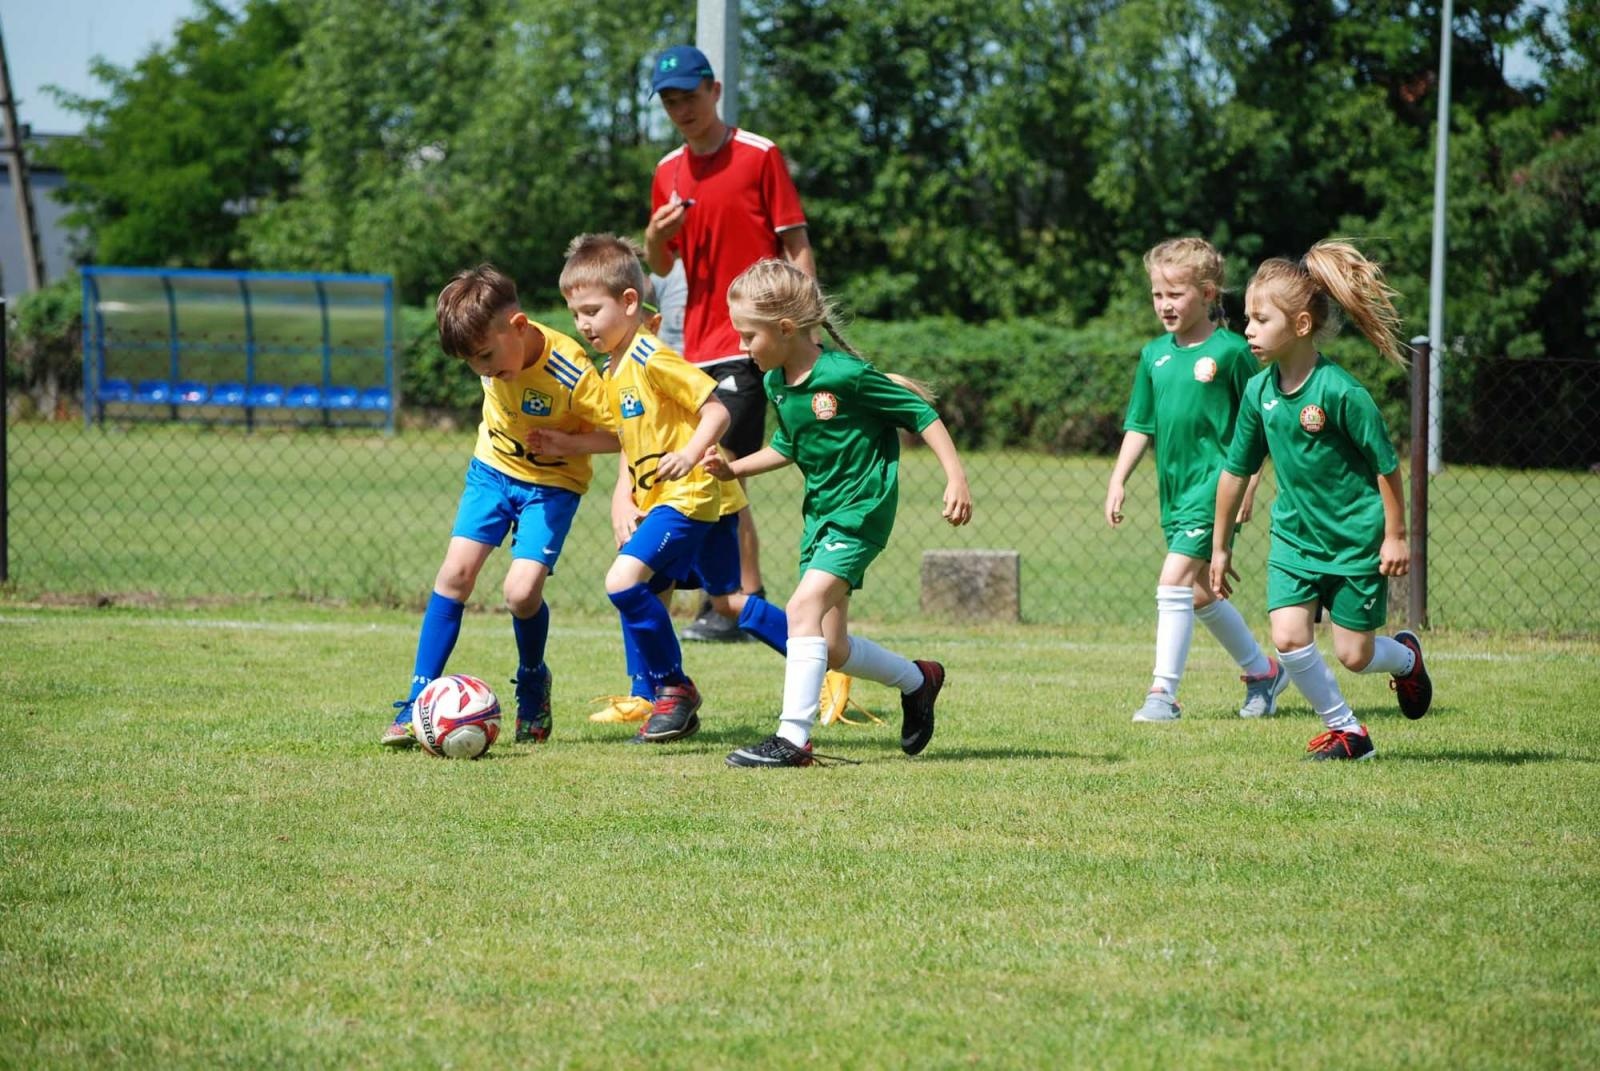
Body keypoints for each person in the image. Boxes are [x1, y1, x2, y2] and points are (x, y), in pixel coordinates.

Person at [704, 259, 973, 768]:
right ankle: (919, 680)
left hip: (860, 512)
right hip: (821, 517)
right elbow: (787, 445)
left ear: (786, 329)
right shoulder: (776, 383)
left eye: (749, 335)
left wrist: (955, 477)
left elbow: (920, 413)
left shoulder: (844, 375)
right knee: (831, 646)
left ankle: (793, 739)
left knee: (802, 608)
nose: (742, 347)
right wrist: (732, 469)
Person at [1211, 240, 1435, 761]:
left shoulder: (1340, 392)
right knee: (1288, 638)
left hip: (1355, 542)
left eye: (1261, 319)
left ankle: (1405, 658)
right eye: (1247, 319)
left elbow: (1386, 465)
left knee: (1354, 655)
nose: (1248, 330)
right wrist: (1220, 547)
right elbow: (1234, 471)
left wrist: (1396, 535)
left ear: (1301, 325)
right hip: (1295, 540)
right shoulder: (1258, 392)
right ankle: (1348, 732)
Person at [380, 264, 612, 748]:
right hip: (491, 472)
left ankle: (533, 680)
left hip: (551, 485)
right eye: (472, 363)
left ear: (518, 325)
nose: (482, 370)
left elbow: (625, 432)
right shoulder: (494, 354)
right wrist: (487, 361)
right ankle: (416, 702)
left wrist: (570, 445)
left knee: (521, 594)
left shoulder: (570, 371)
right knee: (454, 576)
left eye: (486, 356)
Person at [644, 44, 816, 642]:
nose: (681, 109)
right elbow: (660, 264)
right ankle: (733, 602)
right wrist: (654, 236)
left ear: (714, 91)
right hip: (693, 348)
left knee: (717, 470)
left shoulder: (759, 155)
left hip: (749, 344)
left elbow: (796, 245)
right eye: (670, 101)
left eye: (689, 96)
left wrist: (802, 326)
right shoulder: (667, 171)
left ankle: (734, 602)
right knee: (715, 474)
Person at [548, 233, 730, 743]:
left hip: (687, 497)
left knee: (622, 582)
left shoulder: (651, 356)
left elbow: (716, 409)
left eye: (592, 311)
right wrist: (572, 446)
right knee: (647, 591)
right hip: (656, 502)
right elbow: (625, 437)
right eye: (575, 314)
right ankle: (662, 701)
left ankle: (675, 689)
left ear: (630, 302)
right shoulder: (614, 368)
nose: (583, 324)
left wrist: (689, 455)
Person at [1105, 237, 1287, 723]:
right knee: (1200, 593)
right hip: (1176, 493)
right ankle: (1263, 672)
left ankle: (1163, 693)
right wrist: (1118, 479)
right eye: (1157, 294)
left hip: (1216, 487)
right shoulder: (1153, 356)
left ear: (1207, 294)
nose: (1164, 304)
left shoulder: (1232, 352)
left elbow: (1260, 424)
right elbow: (1139, 425)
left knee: (1173, 579)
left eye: (1175, 294)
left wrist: (1250, 483)